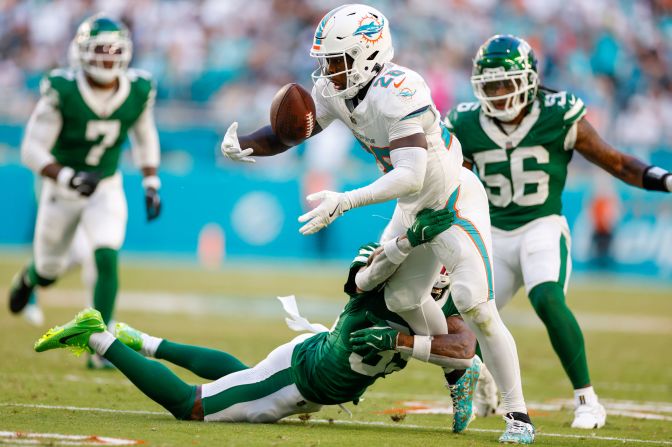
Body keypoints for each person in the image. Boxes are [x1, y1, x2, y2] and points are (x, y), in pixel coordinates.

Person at [220, 6, 534, 441]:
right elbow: (292, 132)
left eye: (337, 61)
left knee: (474, 304)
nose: (328, 73)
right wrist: (248, 146)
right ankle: (462, 370)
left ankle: (518, 415)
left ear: (368, 54)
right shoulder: (338, 89)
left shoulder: (400, 90)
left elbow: (412, 174)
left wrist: (345, 201)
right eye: (325, 62)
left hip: (452, 202)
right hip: (411, 206)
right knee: (403, 297)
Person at [33, 208, 501, 438]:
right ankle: (96, 334)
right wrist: (397, 252)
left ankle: (147, 341)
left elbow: (460, 346)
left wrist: (426, 353)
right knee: (188, 406)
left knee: (242, 374)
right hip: (303, 377)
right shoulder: (385, 270)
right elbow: (358, 283)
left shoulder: (434, 295)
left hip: (313, 370)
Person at [444, 34, 672, 429]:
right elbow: (450, 182)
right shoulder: (466, 122)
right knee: (450, 317)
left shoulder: (558, 113)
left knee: (547, 297)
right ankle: (481, 382)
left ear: (529, 80)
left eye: (505, 83)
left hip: (541, 227)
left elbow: (616, 163)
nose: (498, 94)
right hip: (492, 235)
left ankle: (587, 400)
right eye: (490, 85)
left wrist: (664, 180)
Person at [8, 14, 162, 367]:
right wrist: (67, 178)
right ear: (82, 52)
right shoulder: (63, 89)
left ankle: (100, 347)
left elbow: (144, 134)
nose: (107, 58)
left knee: (106, 255)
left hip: (105, 186)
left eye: (114, 50)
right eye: (100, 50)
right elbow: (31, 149)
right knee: (49, 269)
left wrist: (151, 180)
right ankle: (29, 279)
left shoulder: (138, 89)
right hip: (60, 190)